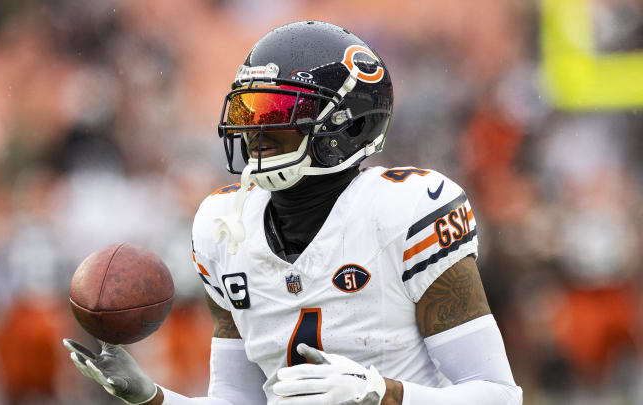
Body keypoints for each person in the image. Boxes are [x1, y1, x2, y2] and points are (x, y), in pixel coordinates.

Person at [63, 21, 523, 405]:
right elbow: (236, 400)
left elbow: (497, 394)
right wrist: (152, 397)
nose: (255, 130)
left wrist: (380, 392)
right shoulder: (225, 228)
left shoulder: (403, 212)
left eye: (278, 110)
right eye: (248, 109)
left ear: (348, 123)